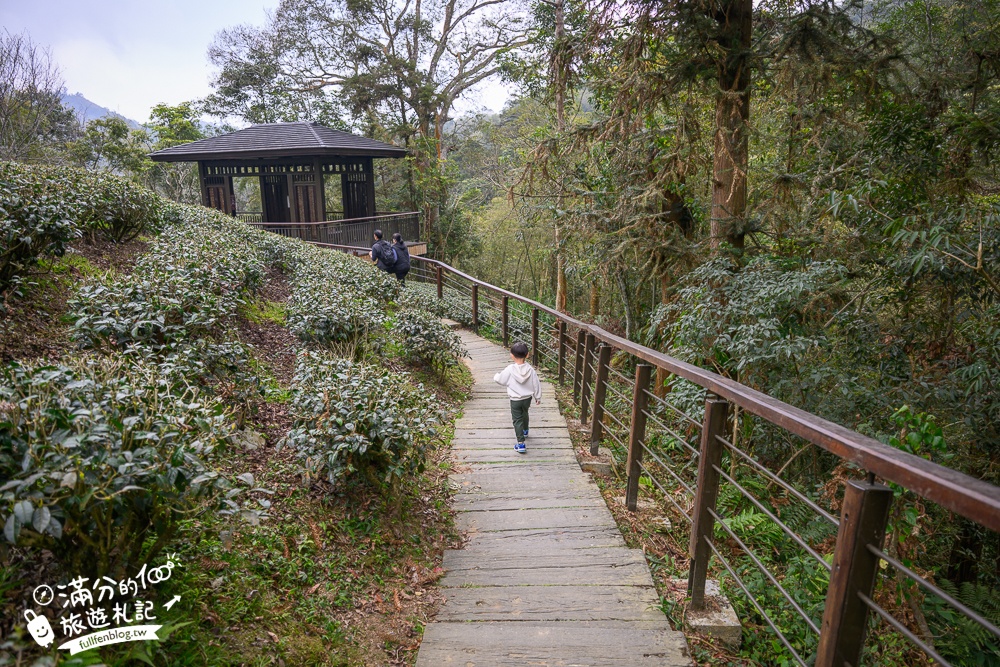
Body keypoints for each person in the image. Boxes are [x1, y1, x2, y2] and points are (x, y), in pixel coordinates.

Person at [493, 342, 542, 454]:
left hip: (515, 399)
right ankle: (525, 430)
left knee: (517, 420)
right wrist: (537, 396)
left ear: (512, 355)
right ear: (527, 355)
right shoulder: (530, 369)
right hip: (527, 398)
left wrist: (496, 376)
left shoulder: (510, 369)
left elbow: (501, 380)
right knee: (525, 413)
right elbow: (536, 384)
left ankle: (521, 444)